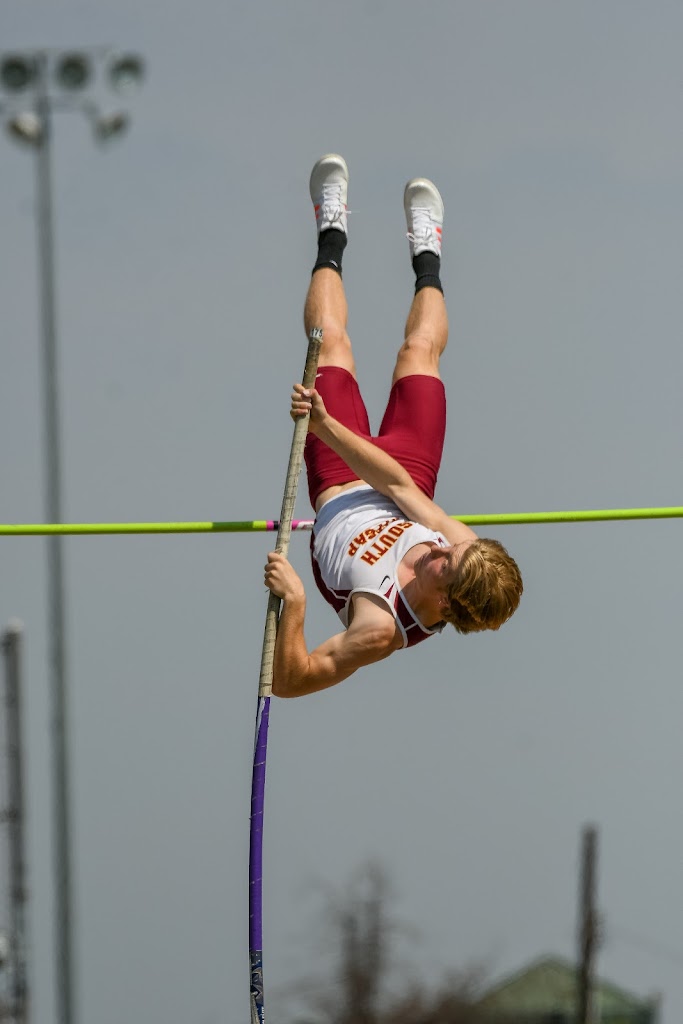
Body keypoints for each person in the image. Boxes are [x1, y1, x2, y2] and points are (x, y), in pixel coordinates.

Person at [264, 154, 522, 698]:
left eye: (443, 561)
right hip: (397, 478)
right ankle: (428, 251)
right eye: (456, 545)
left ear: (447, 602)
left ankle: (330, 231)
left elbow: (291, 681)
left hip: (337, 483)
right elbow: (401, 488)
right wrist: (328, 426)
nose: (445, 544)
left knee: (331, 344)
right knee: (419, 352)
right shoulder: (466, 554)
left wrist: (298, 604)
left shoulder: (379, 630)